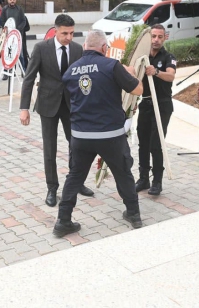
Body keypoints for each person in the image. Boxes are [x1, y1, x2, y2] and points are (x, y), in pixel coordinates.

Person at [54, 29, 144, 237]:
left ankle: (62, 221)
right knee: (123, 173)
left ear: (85, 47)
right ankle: (134, 214)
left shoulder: (70, 71)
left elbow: (70, 102)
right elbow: (137, 90)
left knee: (75, 176)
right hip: (110, 135)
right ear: (105, 48)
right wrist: (130, 73)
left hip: (81, 136)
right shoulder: (112, 65)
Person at [20, 14, 93, 207]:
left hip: (72, 106)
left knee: (76, 146)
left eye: (71, 33)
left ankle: (77, 182)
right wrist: (24, 108)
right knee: (49, 148)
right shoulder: (41, 48)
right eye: (64, 33)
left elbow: (84, 78)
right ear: (55, 30)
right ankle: (52, 188)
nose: (69, 37)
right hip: (47, 105)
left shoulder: (78, 49)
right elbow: (29, 78)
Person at [135, 24, 177, 196]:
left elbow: (171, 75)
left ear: (165, 38)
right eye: (153, 36)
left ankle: (157, 181)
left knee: (156, 144)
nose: (156, 40)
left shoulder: (168, 57)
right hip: (145, 104)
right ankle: (143, 178)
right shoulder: (143, 57)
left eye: (160, 37)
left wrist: (156, 71)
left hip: (162, 104)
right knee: (143, 143)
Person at [0, 0, 28, 70]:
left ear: (15, 0)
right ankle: (7, 72)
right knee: (7, 54)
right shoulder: (4, 9)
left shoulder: (20, 9)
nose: (12, 1)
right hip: (8, 36)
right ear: (8, 0)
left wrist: (17, 29)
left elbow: (23, 21)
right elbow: (2, 21)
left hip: (18, 35)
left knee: (20, 54)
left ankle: (24, 71)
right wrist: (7, 29)